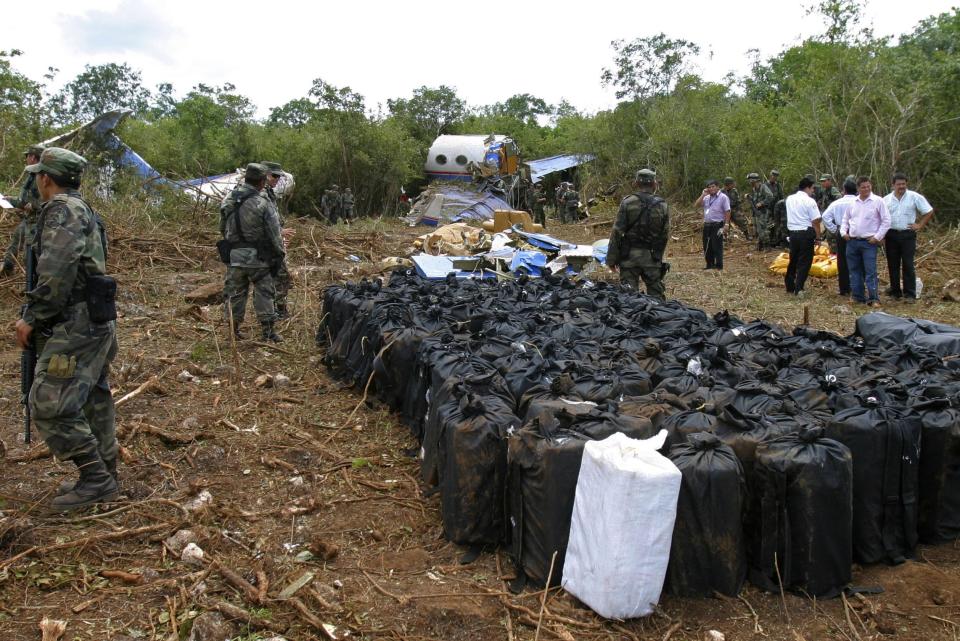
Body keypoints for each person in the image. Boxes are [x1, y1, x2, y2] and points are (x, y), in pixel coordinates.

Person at [14, 147, 119, 511]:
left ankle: (96, 479)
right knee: (92, 396)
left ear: (45, 178)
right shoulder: (81, 208)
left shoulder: (62, 212)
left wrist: (33, 316)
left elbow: (57, 271)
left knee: (48, 401)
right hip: (93, 319)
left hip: (76, 323)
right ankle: (105, 470)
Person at [221, 163, 284, 341]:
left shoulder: (228, 199)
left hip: (235, 256)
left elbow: (222, 228)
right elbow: (274, 233)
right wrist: (279, 254)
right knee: (264, 292)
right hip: (259, 258)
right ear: (262, 182)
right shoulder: (263, 203)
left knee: (235, 293)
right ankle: (268, 332)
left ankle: (233, 330)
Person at [606, 168, 670, 299]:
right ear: (654, 184)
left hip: (629, 258)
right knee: (657, 298)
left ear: (636, 183)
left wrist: (611, 259)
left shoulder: (627, 202)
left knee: (629, 299)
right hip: (652, 258)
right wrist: (657, 256)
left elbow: (617, 232)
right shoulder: (663, 205)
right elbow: (664, 235)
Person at [883, 172, 934, 302]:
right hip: (891, 234)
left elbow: (929, 211)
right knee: (892, 264)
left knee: (908, 263)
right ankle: (895, 292)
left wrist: (920, 225)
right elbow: (881, 217)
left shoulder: (914, 197)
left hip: (908, 234)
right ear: (893, 185)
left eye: (904, 184)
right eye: (899, 184)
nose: (901, 186)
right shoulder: (886, 200)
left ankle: (910, 294)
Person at [840, 176, 891, 307]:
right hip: (852, 242)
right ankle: (857, 296)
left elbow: (886, 221)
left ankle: (873, 298)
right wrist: (843, 232)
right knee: (854, 270)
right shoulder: (853, 202)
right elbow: (845, 219)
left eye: (868, 186)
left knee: (870, 271)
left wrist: (877, 237)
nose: (866, 189)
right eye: (863, 187)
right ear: (858, 188)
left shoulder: (878, 201)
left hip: (869, 243)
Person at [2, 144, 46, 276]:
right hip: (29, 218)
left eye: (27, 156)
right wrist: (10, 199)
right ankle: (7, 268)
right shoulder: (32, 175)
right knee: (16, 239)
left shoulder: (42, 176)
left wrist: (33, 205)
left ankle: (33, 284)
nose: (26, 159)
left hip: (38, 221)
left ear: (32, 157)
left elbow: (48, 199)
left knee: (31, 254)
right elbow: (24, 199)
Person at [261, 162, 294, 319]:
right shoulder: (258, 195)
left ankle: (277, 310)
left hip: (273, 242)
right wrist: (278, 234)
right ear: (265, 174)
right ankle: (274, 312)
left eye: (278, 176)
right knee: (278, 276)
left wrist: (280, 236)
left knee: (280, 276)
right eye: (274, 175)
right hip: (265, 245)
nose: (277, 179)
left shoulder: (269, 193)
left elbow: (273, 219)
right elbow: (258, 223)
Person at [784, 176, 822, 295]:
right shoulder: (810, 201)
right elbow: (816, 221)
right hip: (805, 233)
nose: (813, 191)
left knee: (793, 259)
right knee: (804, 262)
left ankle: (790, 285)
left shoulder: (789, 199)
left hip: (793, 233)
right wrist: (818, 237)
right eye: (812, 189)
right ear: (807, 188)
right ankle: (799, 288)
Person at [821, 178, 858, 297]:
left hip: (841, 232)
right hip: (856, 232)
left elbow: (825, 216)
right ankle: (857, 287)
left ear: (844, 190)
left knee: (842, 260)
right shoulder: (859, 202)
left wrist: (834, 229)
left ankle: (844, 289)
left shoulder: (837, 203)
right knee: (857, 259)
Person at [694, 179, 731, 270]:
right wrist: (703, 194)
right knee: (707, 245)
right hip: (707, 225)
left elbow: (727, 211)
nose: (711, 189)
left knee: (717, 245)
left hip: (718, 224)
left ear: (718, 187)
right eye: (709, 187)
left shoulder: (723, 197)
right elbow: (696, 205)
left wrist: (726, 224)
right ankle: (709, 264)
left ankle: (719, 266)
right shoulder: (706, 198)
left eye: (713, 186)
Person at [747, 173, 776, 250]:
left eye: (751, 181)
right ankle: (760, 246)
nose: (750, 183)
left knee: (763, 229)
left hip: (763, 211)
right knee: (757, 229)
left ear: (754, 181)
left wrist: (762, 203)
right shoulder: (754, 188)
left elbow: (770, 196)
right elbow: (755, 199)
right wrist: (749, 197)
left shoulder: (763, 187)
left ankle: (767, 246)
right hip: (756, 212)